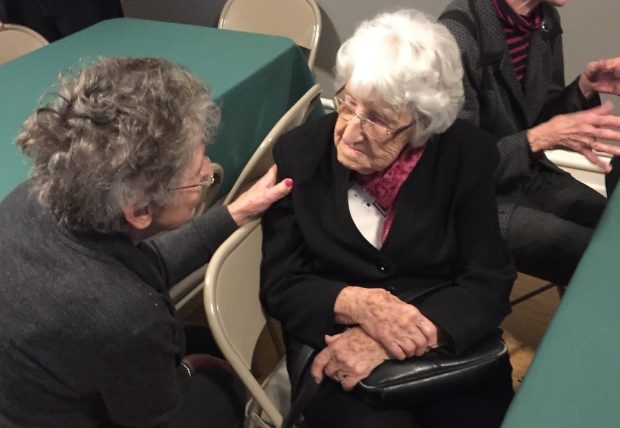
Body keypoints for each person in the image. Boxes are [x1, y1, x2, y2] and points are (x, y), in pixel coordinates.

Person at [0, 56, 293, 427]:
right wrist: (189, 371)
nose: (208, 168)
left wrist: (234, 212)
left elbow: (136, 267)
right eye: (197, 169)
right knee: (223, 391)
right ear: (139, 211)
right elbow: (153, 418)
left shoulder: (33, 197)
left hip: (36, 388)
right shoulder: (127, 317)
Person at [260, 10, 516, 428]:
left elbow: (488, 280)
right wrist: (358, 303)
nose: (349, 131)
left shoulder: (465, 156)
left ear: (421, 122)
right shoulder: (300, 155)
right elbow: (280, 285)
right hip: (334, 342)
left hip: (444, 338)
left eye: (377, 119)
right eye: (347, 103)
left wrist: (388, 337)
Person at [439, 0, 620, 286]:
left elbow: (541, 116)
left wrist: (585, 87)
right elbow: (457, 165)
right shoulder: (456, 33)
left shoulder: (544, 20)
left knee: (612, 229)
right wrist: (538, 138)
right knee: (599, 257)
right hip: (475, 200)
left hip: (525, 175)